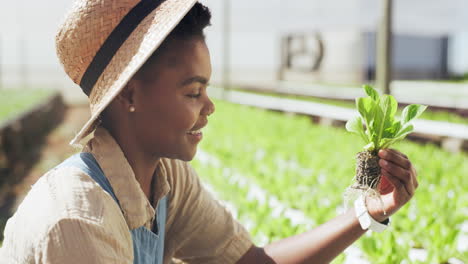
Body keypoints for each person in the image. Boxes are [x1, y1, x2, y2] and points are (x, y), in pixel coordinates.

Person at [0, 1, 419, 263]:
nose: (210, 106)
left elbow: (250, 261)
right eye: (193, 91)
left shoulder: (165, 180)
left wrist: (370, 212)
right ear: (130, 96)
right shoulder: (77, 223)